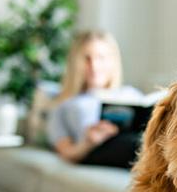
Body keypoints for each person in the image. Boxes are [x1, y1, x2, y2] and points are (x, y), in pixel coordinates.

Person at [47, 30, 143, 168]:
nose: (94, 66)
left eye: (101, 57)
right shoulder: (65, 104)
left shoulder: (131, 94)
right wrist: (89, 141)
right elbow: (66, 152)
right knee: (138, 145)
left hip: (141, 141)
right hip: (97, 149)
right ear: (75, 63)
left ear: (112, 61)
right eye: (87, 58)